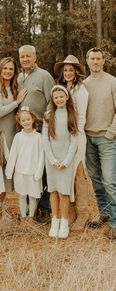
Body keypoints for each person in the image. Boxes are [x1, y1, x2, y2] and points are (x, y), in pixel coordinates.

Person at [18, 45, 55, 222]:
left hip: (40, 128)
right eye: (22, 57)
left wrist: (47, 123)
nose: (25, 59)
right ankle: (28, 207)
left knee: (43, 168)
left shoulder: (44, 76)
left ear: (35, 57)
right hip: (24, 129)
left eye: (28, 56)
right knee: (28, 167)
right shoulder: (20, 78)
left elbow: (51, 101)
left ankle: (44, 208)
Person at [84, 47, 116, 240]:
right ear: (87, 61)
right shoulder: (84, 84)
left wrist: (111, 133)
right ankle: (104, 213)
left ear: (103, 61)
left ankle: (115, 222)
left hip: (106, 138)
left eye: (98, 59)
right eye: (92, 59)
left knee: (110, 180)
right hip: (88, 138)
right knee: (96, 180)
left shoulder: (112, 82)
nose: (95, 62)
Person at [54, 55, 89, 230]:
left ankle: (83, 215)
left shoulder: (80, 90)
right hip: (63, 138)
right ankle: (71, 212)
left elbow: (81, 116)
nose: (67, 73)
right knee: (67, 173)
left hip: (77, 136)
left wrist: (77, 136)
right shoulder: (61, 88)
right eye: (65, 70)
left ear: (76, 72)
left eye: (71, 70)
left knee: (78, 174)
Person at [42, 85, 78, 239]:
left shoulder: (71, 115)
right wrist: (52, 159)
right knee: (53, 191)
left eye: (61, 97)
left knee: (64, 192)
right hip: (52, 160)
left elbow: (74, 141)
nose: (59, 99)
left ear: (67, 97)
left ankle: (64, 223)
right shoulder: (49, 115)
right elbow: (45, 139)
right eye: (56, 97)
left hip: (65, 161)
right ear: (53, 99)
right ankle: (54, 221)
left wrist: (66, 161)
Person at [0, 57, 27, 192]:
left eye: (11, 69)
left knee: (8, 168)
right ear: (0, 69)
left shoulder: (15, 87)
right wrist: (17, 101)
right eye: (5, 68)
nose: (8, 71)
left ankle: (0, 208)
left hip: (12, 132)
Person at [5, 107, 44, 223]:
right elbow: (13, 155)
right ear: (20, 122)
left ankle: (31, 217)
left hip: (33, 173)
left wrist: (39, 172)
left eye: (28, 119)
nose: (26, 122)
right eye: (23, 120)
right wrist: (9, 171)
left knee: (32, 196)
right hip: (20, 172)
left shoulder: (38, 137)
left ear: (33, 120)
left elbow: (42, 156)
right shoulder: (18, 137)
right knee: (22, 195)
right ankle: (23, 217)